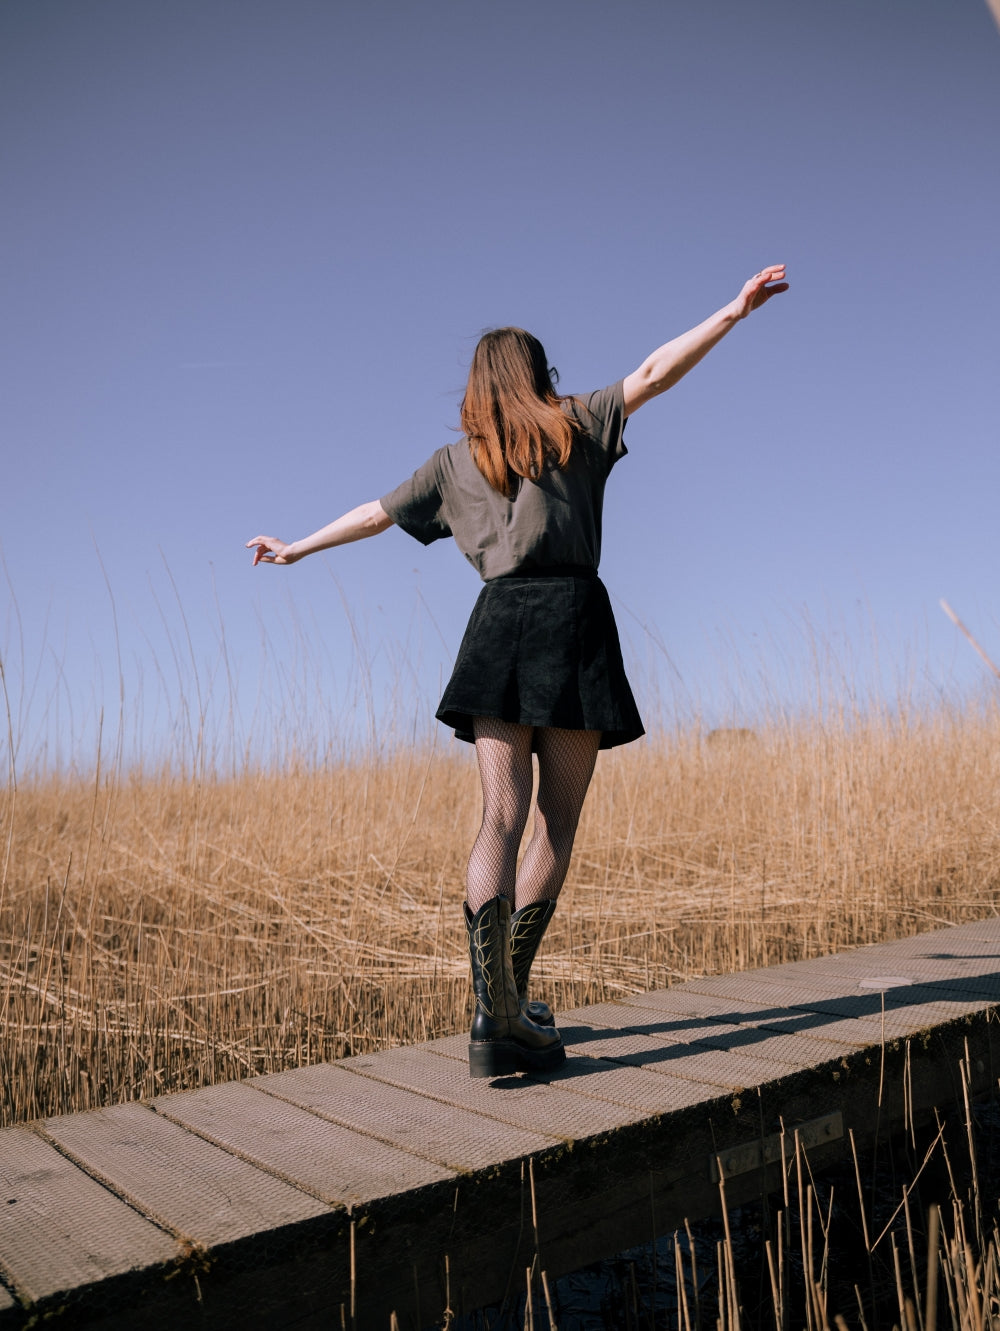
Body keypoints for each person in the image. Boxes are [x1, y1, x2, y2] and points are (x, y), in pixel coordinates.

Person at [246, 264, 788, 1079]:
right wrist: (733, 312)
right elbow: (653, 372)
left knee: (500, 815)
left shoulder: (452, 463)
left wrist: (296, 547)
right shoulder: (577, 423)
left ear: (476, 387)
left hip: (498, 628)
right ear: (538, 375)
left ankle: (497, 1009)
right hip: (571, 622)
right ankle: (509, 1004)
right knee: (554, 825)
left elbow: (373, 511)